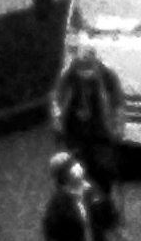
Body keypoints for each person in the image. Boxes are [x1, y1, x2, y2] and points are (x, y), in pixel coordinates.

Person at [48, 22, 124, 193]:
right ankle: (79, 199)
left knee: (103, 167)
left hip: (101, 129)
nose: (85, 74)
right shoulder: (69, 74)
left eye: (89, 69)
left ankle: (103, 200)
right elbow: (57, 97)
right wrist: (57, 118)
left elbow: (117, 102)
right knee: (77, 166)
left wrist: (118, 126)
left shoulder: (107, 76)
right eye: (82, 70)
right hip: (75, 130)